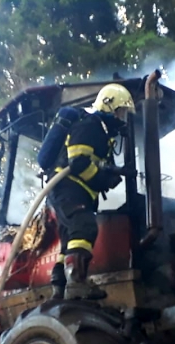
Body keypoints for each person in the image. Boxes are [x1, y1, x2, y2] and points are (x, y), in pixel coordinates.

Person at [44, 84, 135, 300]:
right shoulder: (90, 125)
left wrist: (113, 175)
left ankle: (60, 286)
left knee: (69, 240)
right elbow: (78, 163)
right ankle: (77, 283)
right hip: (67, 188)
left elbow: (94, 164)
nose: (122, 117)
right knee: (84, 227)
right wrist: (103, 179)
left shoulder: (102, 133)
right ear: (109, 106)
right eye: (120, 111)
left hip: (72, 191)